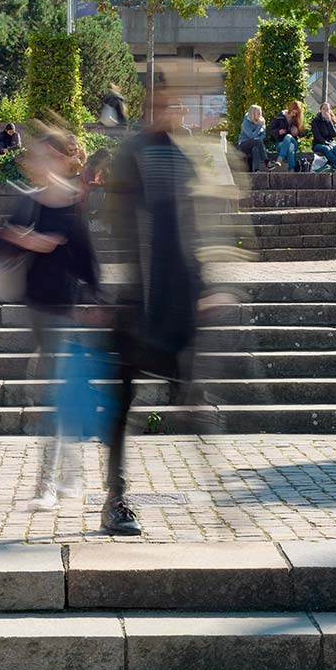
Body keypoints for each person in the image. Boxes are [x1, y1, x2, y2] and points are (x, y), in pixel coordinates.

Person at [102, 88, 211, 537]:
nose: (172, 113)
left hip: (177, 297)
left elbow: (191, 225)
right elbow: (118, 224)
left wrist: (201, 285)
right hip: (139, 301)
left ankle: (217, 493)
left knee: (192, 398)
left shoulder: (180, 157)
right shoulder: (131, 155)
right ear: (149, 111)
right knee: (123, 403)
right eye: (164, 106)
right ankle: (116, 498)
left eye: (175, 105)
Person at [4, 128, 103, 511]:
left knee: (52, 395)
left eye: (46, 156)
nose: (38, 162)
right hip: (36, 307)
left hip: (64, 310)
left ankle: (46, 483)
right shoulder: (30, 201)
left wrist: (95, 300)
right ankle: (73, 473)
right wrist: (23, 239)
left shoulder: (72, 202)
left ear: (63, 159)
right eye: (37, 156)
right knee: (57, 394)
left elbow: (87, 261)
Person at [269, 101, 304, 172]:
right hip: (281, 143)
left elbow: (301, 134)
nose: (294, 115)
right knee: (290, 147)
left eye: (296, 113)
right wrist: (278, 132)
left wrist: (296, 131)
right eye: (293, 112)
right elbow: (271, 130)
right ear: (290, 109)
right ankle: (291, 169)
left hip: (293, 141)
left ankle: (280, 159)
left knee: (288, 136)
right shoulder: (280, 116)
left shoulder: (297, 119)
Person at [310, 102, 336, 171]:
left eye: (327, 109)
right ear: (320, 110)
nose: (326, 111)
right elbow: (317, 136)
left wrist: (329, 122)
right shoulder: (315, 121)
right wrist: (327, 144)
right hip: (318, 143)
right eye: (324, 109)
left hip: (331, 143)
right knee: (326, 148)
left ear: (330, 111)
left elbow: (334, 134)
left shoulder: (331, 120)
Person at [237, 105, 269, 172]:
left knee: (255, 149)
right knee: (257, 141)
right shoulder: (245, 123)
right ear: (253, 113)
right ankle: (266, 161)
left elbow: (263, 135)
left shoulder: (261, 121)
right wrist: (259, 126)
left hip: (256, 143)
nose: (260, 115)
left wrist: (259, 138)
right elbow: (251, 136)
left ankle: (257, 170)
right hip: (244, 144)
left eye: (261, 113)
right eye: (258, 113)